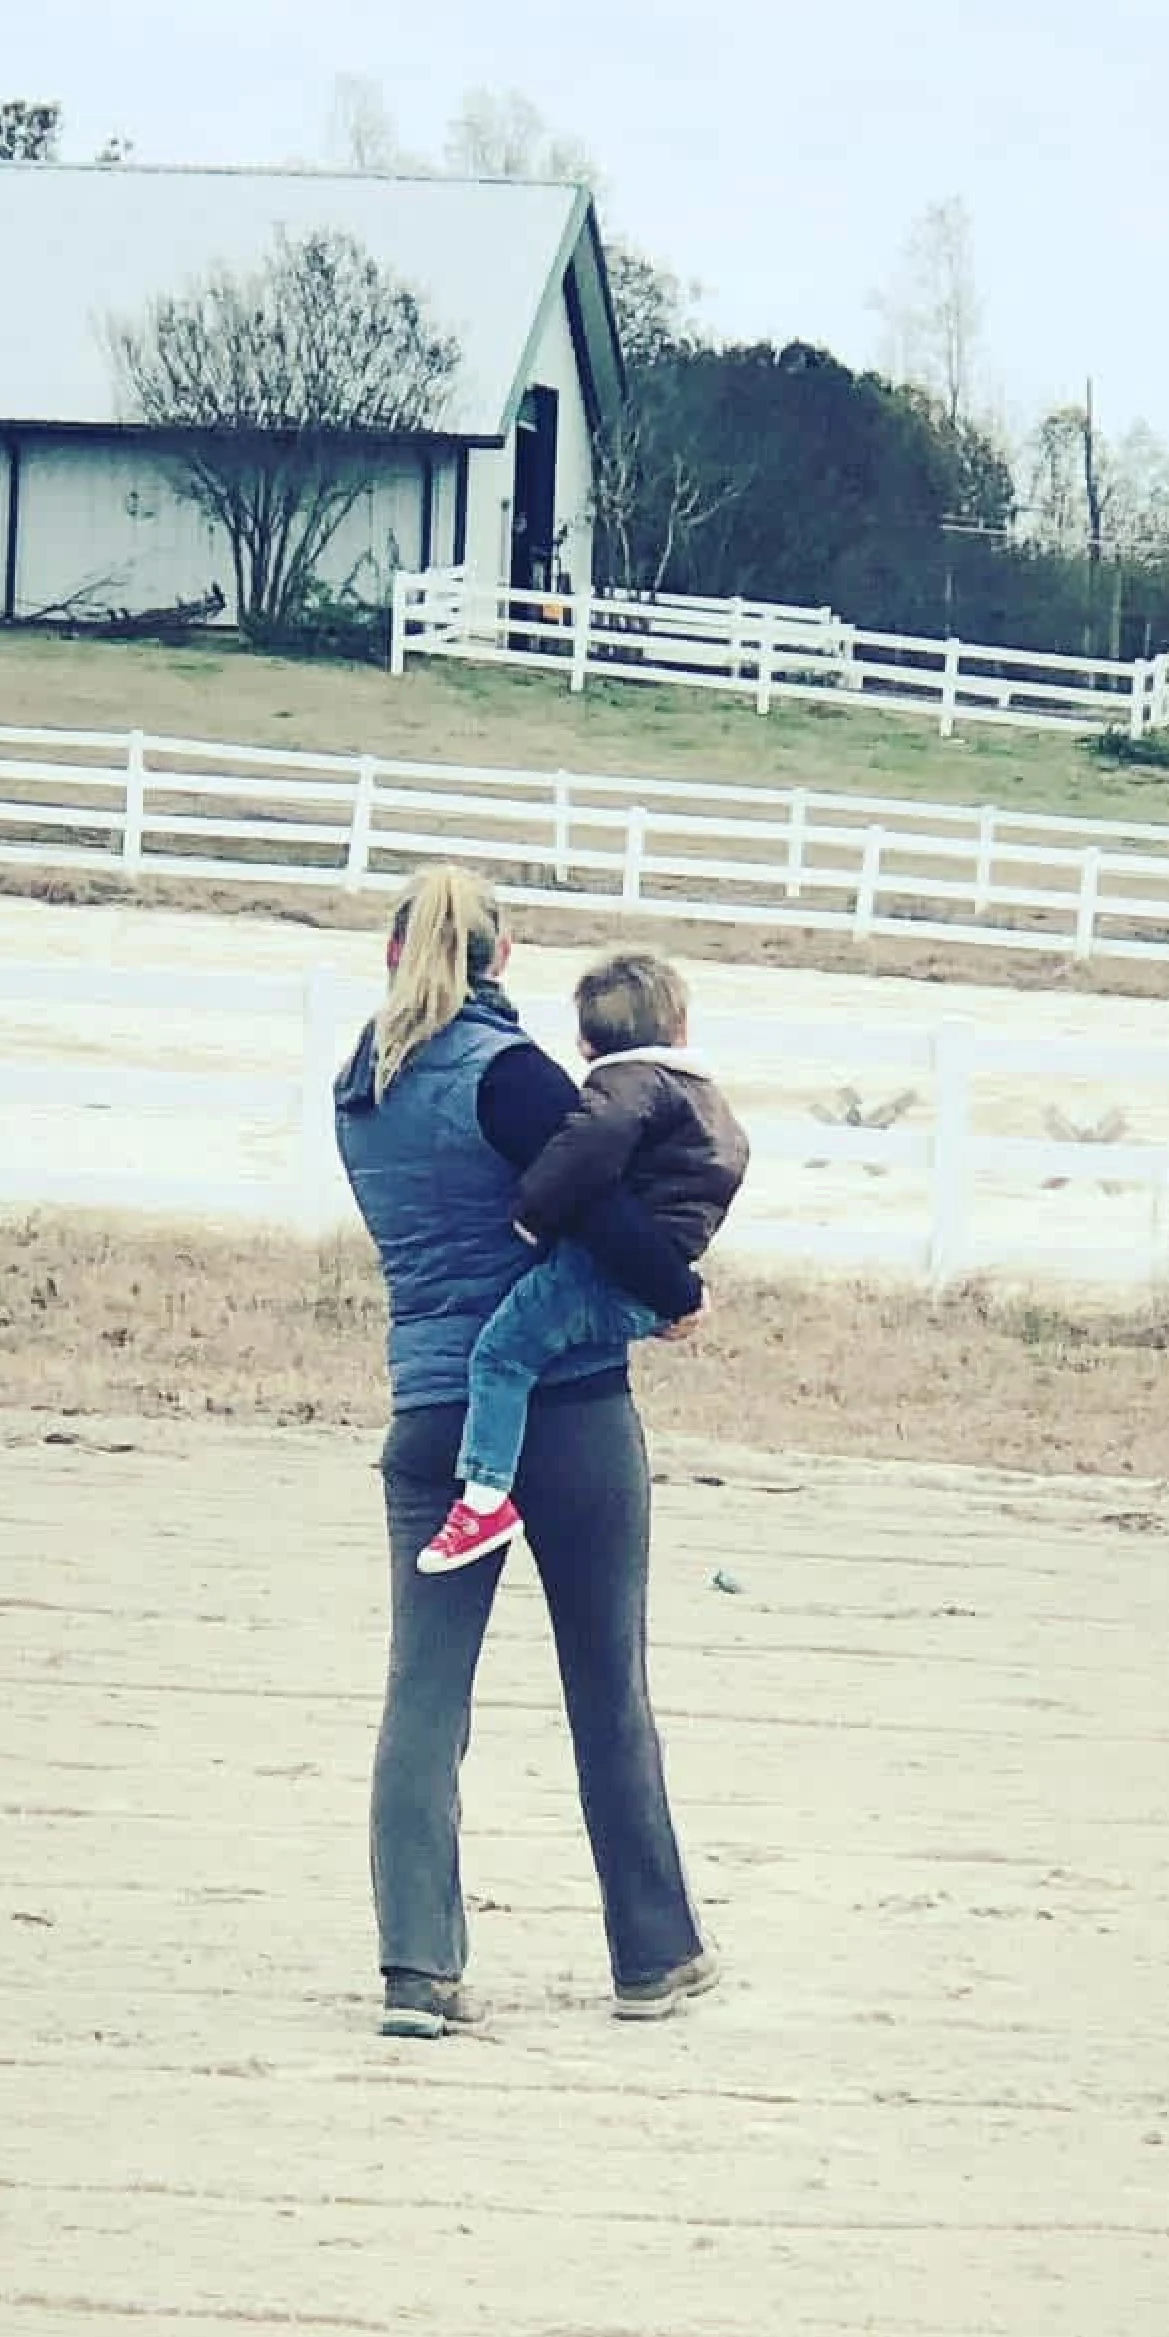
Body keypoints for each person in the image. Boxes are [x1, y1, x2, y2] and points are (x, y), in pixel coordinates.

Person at [332, 864, 716, 2042]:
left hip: (429, 1413)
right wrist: (676, 1290)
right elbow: (596, 1201)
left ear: (394, 959)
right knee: (607, 1689)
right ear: (501, 962)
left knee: (422, 1697)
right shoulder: (516, 1074)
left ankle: (416, 1967)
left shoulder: (360, 1087)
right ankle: (650, 1958)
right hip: (568, 1410)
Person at [417, 949, 749, 1577]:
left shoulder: (625, 1085)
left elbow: (584, 1151)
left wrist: (532, 1210)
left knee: (502, 1356)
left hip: (601, 1273)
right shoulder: (704, 1099)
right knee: (554, 1341)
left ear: (585, 1039)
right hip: (653, 1279)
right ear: (679, 1028)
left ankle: (484, 1500)